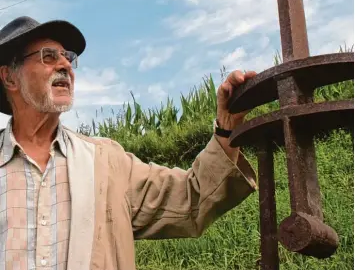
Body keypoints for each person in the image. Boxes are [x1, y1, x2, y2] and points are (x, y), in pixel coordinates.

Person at [0, 16, 257, 270]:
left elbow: (191, 198)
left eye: (68, 57)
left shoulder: (106, 161)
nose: (66, 64)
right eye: (49, 56)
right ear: (10, 78)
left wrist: (226, 127)